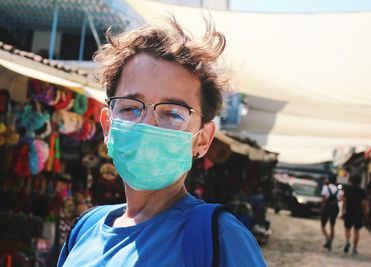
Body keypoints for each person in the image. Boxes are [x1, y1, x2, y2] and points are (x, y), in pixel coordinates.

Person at [57, 17, 267, 266]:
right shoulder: (85, 230)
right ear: (107, 126)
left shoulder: (222, 239)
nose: (147, 124)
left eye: (172, 113)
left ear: (202, 140)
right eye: (131, 108)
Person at [341, 175, 368, 255]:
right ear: (360, 181)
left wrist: (343, 211)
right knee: (356, 231)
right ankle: (354, 249)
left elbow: (344, 202)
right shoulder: (362, 191)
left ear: (351, 181)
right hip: (358, 213)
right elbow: (364, 204)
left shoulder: (347, 190)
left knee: (347, 229)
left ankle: (347, 241)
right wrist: (365, 213)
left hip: (349, 212)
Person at [320, 175, 342, 250]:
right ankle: (330, 241)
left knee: (323, 226)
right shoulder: (339, 190)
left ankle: (327, 238)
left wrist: (322, 208)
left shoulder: (325, 187)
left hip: (327, 207)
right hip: (335, 208)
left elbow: (323, 198)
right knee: (332, 226)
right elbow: (340, 198)